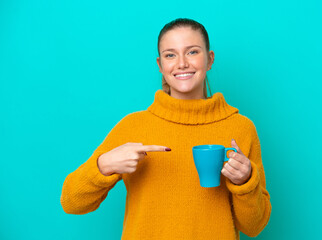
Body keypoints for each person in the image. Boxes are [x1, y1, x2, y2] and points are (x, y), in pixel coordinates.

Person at [61, 18, 272, 239]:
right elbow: (71, 202)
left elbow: (254, 226)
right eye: (170, 55)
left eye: (192, 52)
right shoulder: (133, 127)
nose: (182, 63)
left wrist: (245, 181)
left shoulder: (240, 128)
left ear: (210, 60)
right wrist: (104, 165)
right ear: (160, 65)